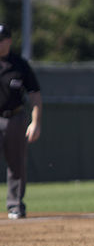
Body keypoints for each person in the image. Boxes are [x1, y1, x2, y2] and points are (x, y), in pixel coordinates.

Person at [0, 24, 42, 219]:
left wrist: (35, 122)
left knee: (16, 163)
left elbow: (34, 93)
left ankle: (15, 204)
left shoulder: (19, 64)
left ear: (8, 40)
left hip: (14, 117)